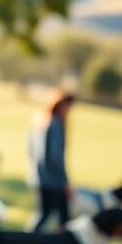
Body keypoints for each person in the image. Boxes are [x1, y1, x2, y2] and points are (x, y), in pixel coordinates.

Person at [28, 90, 76, 233]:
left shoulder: (41, 122)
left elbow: (31, 150)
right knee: (64, 218)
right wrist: (65, 182)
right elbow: (55, 157)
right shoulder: (56, 125)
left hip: (39, 176)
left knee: (44, 214)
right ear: (62, 106)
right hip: (53, 180)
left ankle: (28, 241)